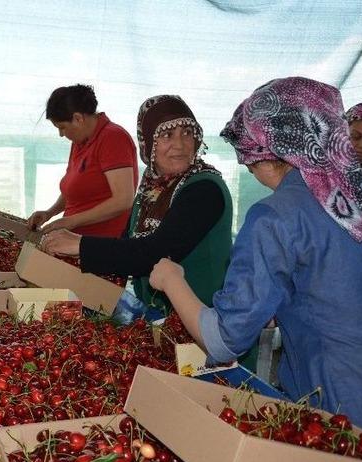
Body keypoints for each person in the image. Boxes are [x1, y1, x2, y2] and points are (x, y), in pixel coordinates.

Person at [149, 77, 362, 444]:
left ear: (268, 153)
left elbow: (223, 341)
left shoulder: (276, 216)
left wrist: (171, 279)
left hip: (341, 417)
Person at [41, 95, 232, 314]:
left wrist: (81, 245)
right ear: (148, 142)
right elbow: (129, 240)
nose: (179, 145)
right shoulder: (153, 187)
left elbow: (157, 252)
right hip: (163, 317)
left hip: (203, 325)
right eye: (168, 135)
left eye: (187, 133)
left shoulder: (204, 189)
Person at [27, 84, 138, 237]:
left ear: (78, 118)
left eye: (62, 127)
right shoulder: (80, 141)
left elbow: (123, 200)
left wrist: (72, 221)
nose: (61, 134)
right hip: (74, 239)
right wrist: (50, 213)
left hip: (101, 243)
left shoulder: (113, 138)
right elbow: (74, 190)